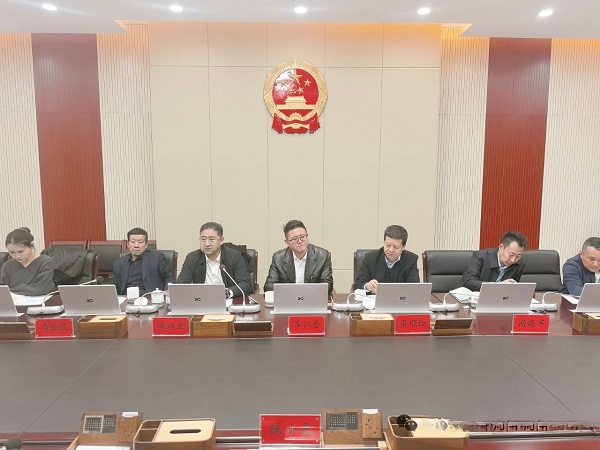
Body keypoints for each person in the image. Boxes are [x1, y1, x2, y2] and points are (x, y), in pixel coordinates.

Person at [177, 222, 252, 299]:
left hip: (226, 300)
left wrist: (226, 293)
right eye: (203, 239)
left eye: (211, 239)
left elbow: (245, 285)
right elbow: (180, 285)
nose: (206, 244)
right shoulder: (192, 258)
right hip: (201, 300)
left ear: (221, 240)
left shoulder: (234, 256)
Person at [264, 220, 334, 294]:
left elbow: (328, 285)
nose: (300, 241)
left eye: (302, 237)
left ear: (307, 236)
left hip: (313, 298)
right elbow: (269, 286)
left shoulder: (323, 256)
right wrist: (294, 293)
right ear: (287, 242)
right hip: (288, 298)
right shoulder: (278, 258)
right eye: (295, 239)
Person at [354, 225, 419, 293]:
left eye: (396, 247)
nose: (391, 250)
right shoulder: (370, 258)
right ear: (384, 242)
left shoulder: (411, 260)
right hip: (375, 298)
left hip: (400, 298)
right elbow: (358, 284)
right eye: (388, 245)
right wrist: (367, 286)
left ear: (403, 247)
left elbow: (414, 287)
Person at [112, 228, 175, 296]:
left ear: (146, 245)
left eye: (140, 242)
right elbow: (115, 286)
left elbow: (169, 277)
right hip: (127, 298)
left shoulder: (156, 258)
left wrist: (166, 292)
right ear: (128, 244)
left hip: (151, 297)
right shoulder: (119, 263)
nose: (136, 245)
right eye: (133, 242)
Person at [462, 230, 527, 291]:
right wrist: (498, 286)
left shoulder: (519, 264)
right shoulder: (480, 256)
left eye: (518, 256)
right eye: (511, 254)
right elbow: (468, 282)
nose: (513, 260)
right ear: (501, 247)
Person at [0, 227, 55, 296]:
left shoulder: (46, 262)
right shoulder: (7, 266)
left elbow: (40, 289)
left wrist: (12, 290)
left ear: (31, 246)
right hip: (14, 301)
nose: (17, 256)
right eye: (12, 252)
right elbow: (3, 289)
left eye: (21, 251)